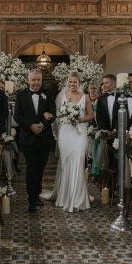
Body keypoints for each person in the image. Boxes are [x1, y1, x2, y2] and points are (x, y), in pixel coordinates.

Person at [43, 72, 93, 212]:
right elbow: (56, 115)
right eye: (70, 82)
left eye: (75, 82)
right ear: (67, 82)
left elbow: (90, 115)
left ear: (79, 83)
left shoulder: (86, 97)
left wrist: (79, 119)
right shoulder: (61, 96)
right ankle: (65, 197)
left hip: (80, 132)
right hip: (65, 132)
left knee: (78, 161)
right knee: (66, 162)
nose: (72, 84)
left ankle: (77, 199)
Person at [14, 69, 55, 212]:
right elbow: (17, 116)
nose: (36, 82)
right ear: (28, 80)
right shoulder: (21, 94)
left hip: (44, 138)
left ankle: (36, 195)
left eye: (39, 80)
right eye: (34, 80)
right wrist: (30, 126)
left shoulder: (48, 94)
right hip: (28, 138)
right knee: (31, 168)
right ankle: (32, 199)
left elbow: (52, 113)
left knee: (40, 168)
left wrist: (42, 125)